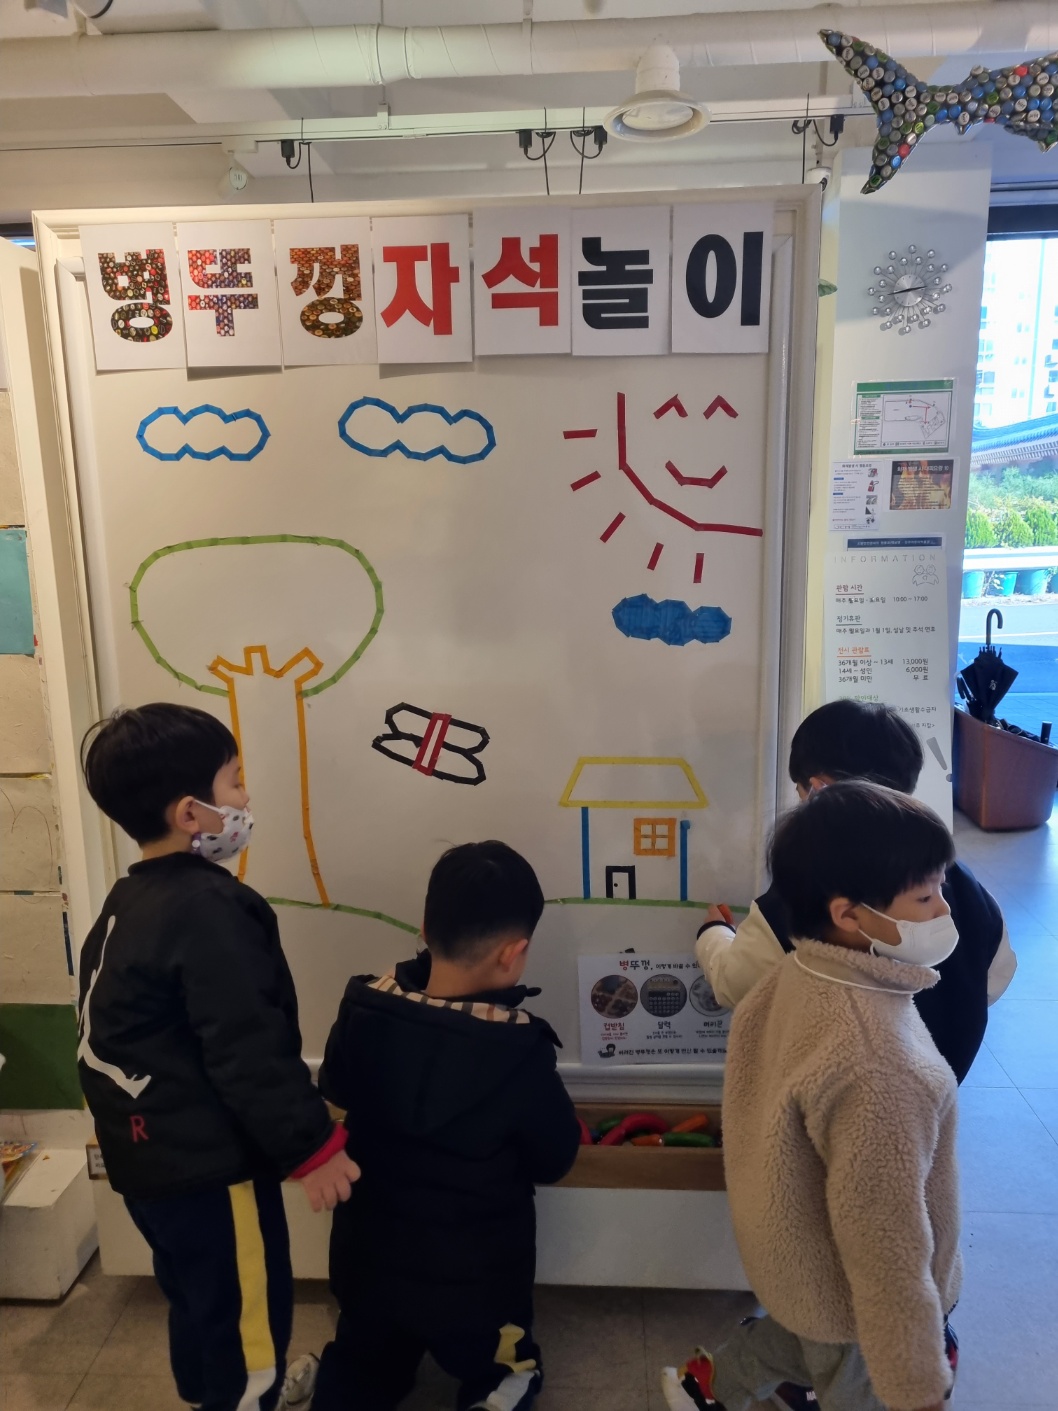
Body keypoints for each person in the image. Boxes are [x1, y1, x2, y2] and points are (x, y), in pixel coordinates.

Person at [78, 703, 359, 1411]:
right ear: (190, 813)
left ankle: (212, 1395)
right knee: (245, 1332)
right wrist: (312, 1147)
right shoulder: (208, 906)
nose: (245, 796)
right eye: (234, 781)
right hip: (209, 1171)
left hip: (149, 1165)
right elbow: (247, 1044)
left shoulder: (125, 901)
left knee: (201, 1304)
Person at [663, 781, 963, 1411]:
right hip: (854, 1295)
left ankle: (707, 1384)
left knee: (800, 1341)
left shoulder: (803, 970)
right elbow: (887, 1249)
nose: (944, 910)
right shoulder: (876, 1061)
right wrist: (916, 1386)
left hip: (796, 1251)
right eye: (925, 896)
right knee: (848, 1372)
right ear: (848, 914)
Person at [313, 840, 581, 1411]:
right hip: (476, 1285)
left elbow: (333, 1089)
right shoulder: (518, 1049)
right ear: (514, 954)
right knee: (503, 1365)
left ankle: (351, 1382)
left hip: (367, 1269)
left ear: (424, 928)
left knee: (360, 1363)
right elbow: (555, 1158)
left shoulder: (364, 1006)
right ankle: (497, 1387)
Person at [697, 699, 1015, 1082]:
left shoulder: (804, 893)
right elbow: (996, 978)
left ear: (818, 789)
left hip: (831, 1091)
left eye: (800, 793)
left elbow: (736, 984)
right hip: (938, 1083)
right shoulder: (963, 885)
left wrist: (713, 934)